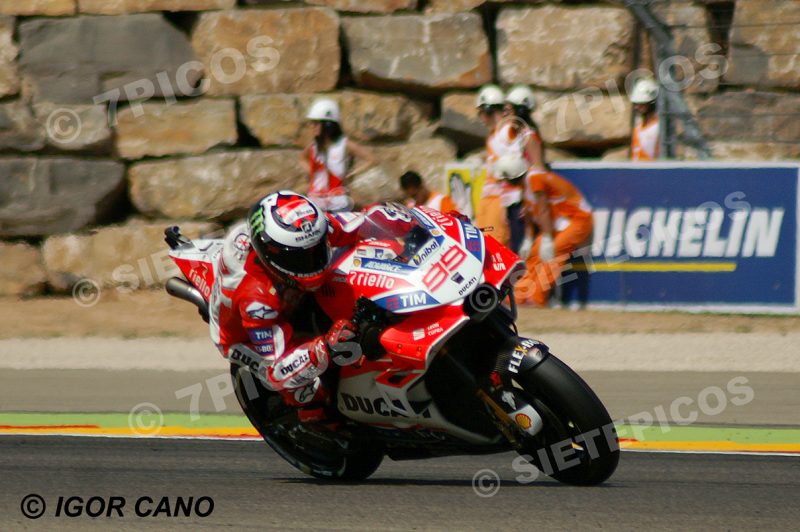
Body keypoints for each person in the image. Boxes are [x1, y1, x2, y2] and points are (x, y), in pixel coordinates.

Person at [208, 191, 366, 422]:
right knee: (305, 389)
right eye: (299, 259)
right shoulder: (257, 300)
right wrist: (323, 348)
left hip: (288, 293)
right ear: (270, 254)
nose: (312, 262)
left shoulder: (309, 230)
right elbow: (276, 369)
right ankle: (312, 417)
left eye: (316, 251)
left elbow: (359, 226)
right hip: (243, 337)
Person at [513, 159, 593, 308]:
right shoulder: (525, 185)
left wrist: (548, 238)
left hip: (578, 219)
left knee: (554, 252)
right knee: (534, 252)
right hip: (559, 222)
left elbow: (544, 210)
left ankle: (536, 299)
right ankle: (520, 296)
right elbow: (529, 212)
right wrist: (529, 239)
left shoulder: (535, 179)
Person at [301, 98, 374, 212]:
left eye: (316, 123)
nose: (312, 126)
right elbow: (302, 158)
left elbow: (371, 159)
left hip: (337, 203)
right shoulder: (314, 146)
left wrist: (351, 174)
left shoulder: (344, 144)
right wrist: (312, 173)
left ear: (328, 125)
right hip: (315, 202)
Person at [474, 84, 511, 247]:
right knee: (485, 243)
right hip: (488, 196)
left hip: (500, 196)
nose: (481, 118)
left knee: (496, 245)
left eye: (482, 113)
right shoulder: (494, 134)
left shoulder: (507, 130)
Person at [629, 78, 660, 161]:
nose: (637, 107)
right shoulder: (638, 126)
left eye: (642, 104)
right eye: (636, 104)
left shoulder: (659, 127)